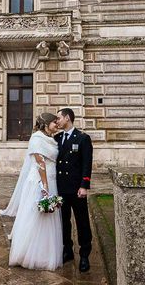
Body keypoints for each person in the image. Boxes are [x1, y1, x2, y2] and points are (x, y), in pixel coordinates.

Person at [0, 113, 63, 271]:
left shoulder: (51, 138)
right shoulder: (37, 138)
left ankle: (45, 251)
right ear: (46, 124)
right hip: (40, 183)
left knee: (48, 217)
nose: (57, 125)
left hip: (51, 180)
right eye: (54, 123)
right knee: (36, 216)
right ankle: (28, 253)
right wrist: (45, 187)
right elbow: (40, 163)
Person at [55, 107, 93, 273]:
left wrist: (84, 186)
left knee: (82, 222)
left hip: (77, 189)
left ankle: (84, 255)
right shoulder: (57, 138)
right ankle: (67, 250)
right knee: (64, 222)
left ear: (67, 118)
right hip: (61, 188)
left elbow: (87, 164)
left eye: (59, 118)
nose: (57, 121)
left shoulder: (83, 138)